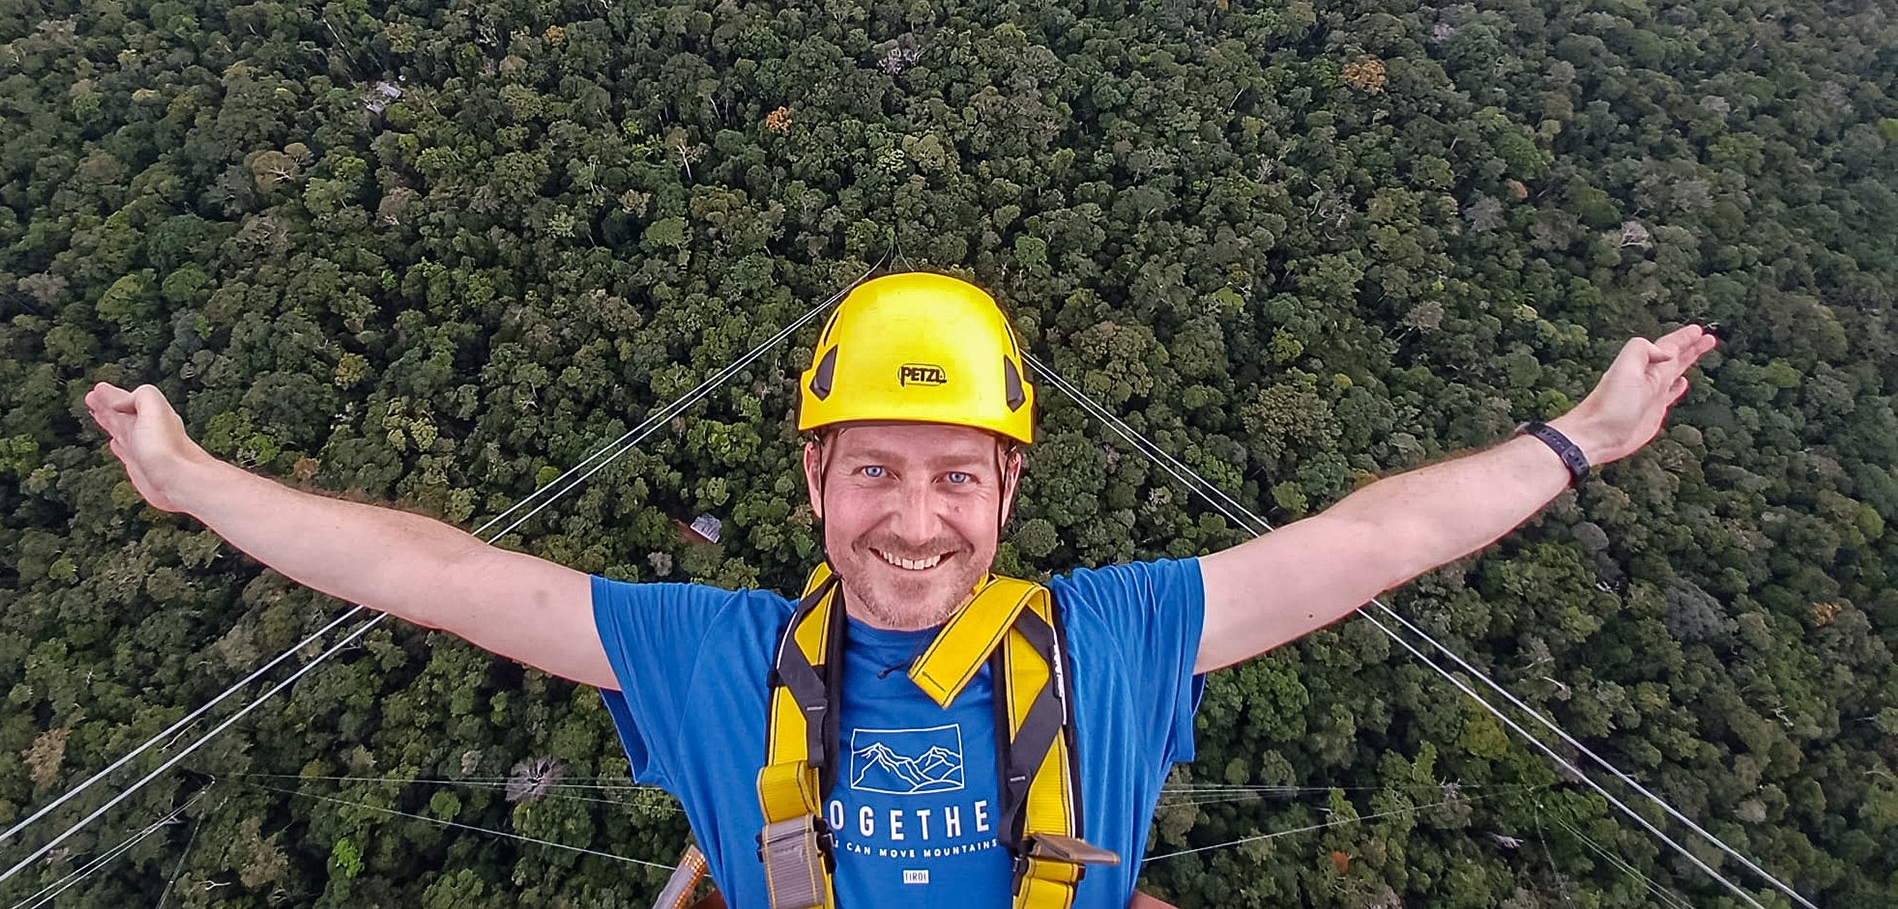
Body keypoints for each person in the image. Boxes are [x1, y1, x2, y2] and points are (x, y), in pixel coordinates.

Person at [85, 271, 1717, 909]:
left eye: (955, 478)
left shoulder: (1115, 636)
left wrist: (1578, 439)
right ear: (814, 485)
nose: (915, 522)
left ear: (1009, 493)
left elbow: (1366, 542)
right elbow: (436, 575)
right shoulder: (713, 656)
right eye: (874, 471)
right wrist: (198, 481)